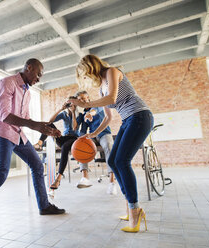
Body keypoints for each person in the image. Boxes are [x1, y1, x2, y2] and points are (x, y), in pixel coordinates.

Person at [0, 59, 65, 242]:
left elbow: (25, 119)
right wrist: (34, 125)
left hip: (18, 135)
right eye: (38, 74)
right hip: (2, 132)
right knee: (0, 173)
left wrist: (46, 128)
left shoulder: (28, 93)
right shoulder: (7, 83)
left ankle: (44, 206)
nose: (39, 79)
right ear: (28, 67)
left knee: (37, 165)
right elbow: (5, 115)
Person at [67, 55, 153, 233]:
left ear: (90, 68)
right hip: (128, 120)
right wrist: (94, 134)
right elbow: (108, 117)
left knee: (122, 161)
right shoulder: (101, 89)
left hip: (140, 116)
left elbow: (113, 98)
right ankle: (131, 207)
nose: (87, 79)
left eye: (85, 75)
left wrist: (86, 104)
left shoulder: (113, 72)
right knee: (113, 161)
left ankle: (135, 210)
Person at [76, 90, 117, 194]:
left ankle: (112, 182)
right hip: (93, 136)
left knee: (108, 145)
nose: (83, 100)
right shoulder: (84, 114)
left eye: (84, 98)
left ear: (88, 98)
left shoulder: (98, 104)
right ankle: (85, 177)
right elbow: (83, 131)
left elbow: (95, 110)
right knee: (81, 146)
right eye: (80, 99)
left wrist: (90, 114)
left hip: (104, 134)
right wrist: (79, 140)